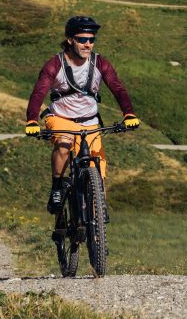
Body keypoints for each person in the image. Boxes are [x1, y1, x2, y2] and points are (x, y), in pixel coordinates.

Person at [24, 15, 140, 214]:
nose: (88, 44)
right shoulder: (55, 64)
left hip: (90, 121)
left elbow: (118, 88)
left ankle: (96, 230)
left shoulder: (100, 63)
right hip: (61, 118)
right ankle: (57, 187)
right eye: (82, 39)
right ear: (70, 40)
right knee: (64, 144)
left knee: (98, 167)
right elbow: (39, 92)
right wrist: (32, 120)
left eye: (92, 40)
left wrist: (128, 114)